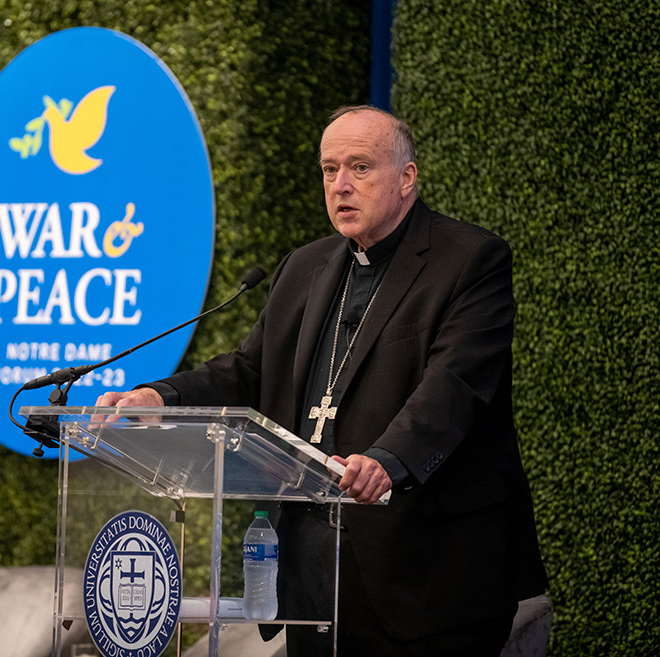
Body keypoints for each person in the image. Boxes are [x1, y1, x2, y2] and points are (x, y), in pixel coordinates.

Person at [96, 105, 548, 656]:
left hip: (427, 574)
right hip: (313, 578)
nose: (341, 185)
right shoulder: (303, 267)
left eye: (360, 167)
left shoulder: (469, 259)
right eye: (329, 170)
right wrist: (161, 396)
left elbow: (454, 386)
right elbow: (249, 370)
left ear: (407, 178)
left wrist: (388, 458)